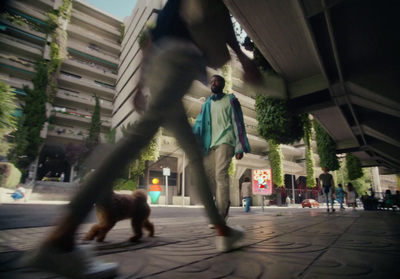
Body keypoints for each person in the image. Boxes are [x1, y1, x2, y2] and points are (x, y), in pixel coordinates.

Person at [25, 1, 262, 278]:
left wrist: (139, 85)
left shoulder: (170, 7)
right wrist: (244, 59)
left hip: (160, 66)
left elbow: (149, 40)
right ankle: (61, 238)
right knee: (139, 138)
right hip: (181, 60)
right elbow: (216, 19)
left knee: (192, 150)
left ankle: (222, 230)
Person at [193, 75, 251, 221]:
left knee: (220, 174)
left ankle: (222, 209)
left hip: (226, 141)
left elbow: (238, 123)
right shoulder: (206, 104)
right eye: (211, 82)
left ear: (222, 84)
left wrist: (239, 147)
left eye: (216, 81)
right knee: (209, 176)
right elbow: (199, 124)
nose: (213, 83)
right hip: (209, 144)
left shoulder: (231, 100)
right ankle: (222, 200)